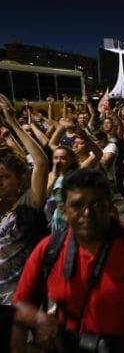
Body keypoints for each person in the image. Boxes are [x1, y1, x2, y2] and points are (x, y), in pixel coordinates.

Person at [11, 168, 124, 353]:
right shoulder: (49, 249)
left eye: (97, 204)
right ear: (64, 210)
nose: (87, 213)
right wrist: (38, 318)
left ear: (110, 206)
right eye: (77, 205)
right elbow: (20, 303)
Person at [0, 94, 49, 304]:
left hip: (23, 299)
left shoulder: (27, 207)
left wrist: (12, 122)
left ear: (20, 180)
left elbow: (40, 162)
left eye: (3, 177)